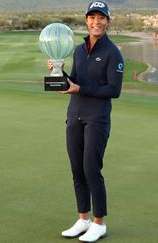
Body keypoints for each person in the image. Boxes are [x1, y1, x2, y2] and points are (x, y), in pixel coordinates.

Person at [47, 1, 123, 242]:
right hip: (75, 116)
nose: (96, 22)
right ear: (86, 21)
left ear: (108, 22)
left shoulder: (113, 53)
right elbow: (76, 81)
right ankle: (83, 220)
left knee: (91, 169)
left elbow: (114, 89)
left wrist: (80, 88)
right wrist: (59, 73)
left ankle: (99, 223)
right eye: (92, 17)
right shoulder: (79, 50)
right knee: (77, 170)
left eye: (101, 18)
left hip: (97, 118)